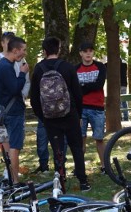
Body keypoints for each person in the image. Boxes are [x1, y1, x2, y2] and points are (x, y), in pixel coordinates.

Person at [30, 36, 90, 191]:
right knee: (76, 147)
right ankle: (83, 181)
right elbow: (77, 94)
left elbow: (34, 98)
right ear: (59, 49)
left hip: (50, 118)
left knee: (57, 150)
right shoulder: (68, 67)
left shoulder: (38, 69)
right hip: (70, 115)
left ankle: (61, 181)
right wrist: (78, 115)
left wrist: (43, 116)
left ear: (44, 51)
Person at [0, 36, 30, 185]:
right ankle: (15, 181)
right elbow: (15, 88)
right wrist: (22, 74)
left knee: (14, 146)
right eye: (23, 50)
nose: (25, 54)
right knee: (15, 146)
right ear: (15, 50)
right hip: (12, 112)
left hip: (11, 111)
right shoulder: (5, 66)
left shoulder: (4, 65)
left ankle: (12, 177)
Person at [76, 42, 107, 173]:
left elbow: (99, 84)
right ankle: (80, 168)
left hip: (97, 108)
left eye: (90, 51)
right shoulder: (75, 69)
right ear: (81, 53)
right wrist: (88, 86)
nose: (88, 53)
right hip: (81, 109)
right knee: (80, 139)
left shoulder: (100, 66)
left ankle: (105, 166)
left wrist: (82, 87)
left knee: (99, 138)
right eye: (85, 51)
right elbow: (75, 89)